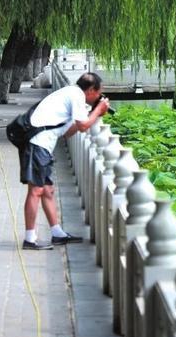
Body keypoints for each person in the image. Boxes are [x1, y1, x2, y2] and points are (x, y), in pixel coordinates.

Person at [19, 72, 110, 250]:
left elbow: (69, 131)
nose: (99, 97)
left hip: (42, 146)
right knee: (36, 190)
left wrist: (93, 112)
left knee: (48, 190)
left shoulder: (70, 93)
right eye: (99, 93)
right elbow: (83, 126)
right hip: (37, 144)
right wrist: (98, 111)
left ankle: (57, 233)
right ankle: (29, 239)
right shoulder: (76, 95)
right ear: (91, 90)